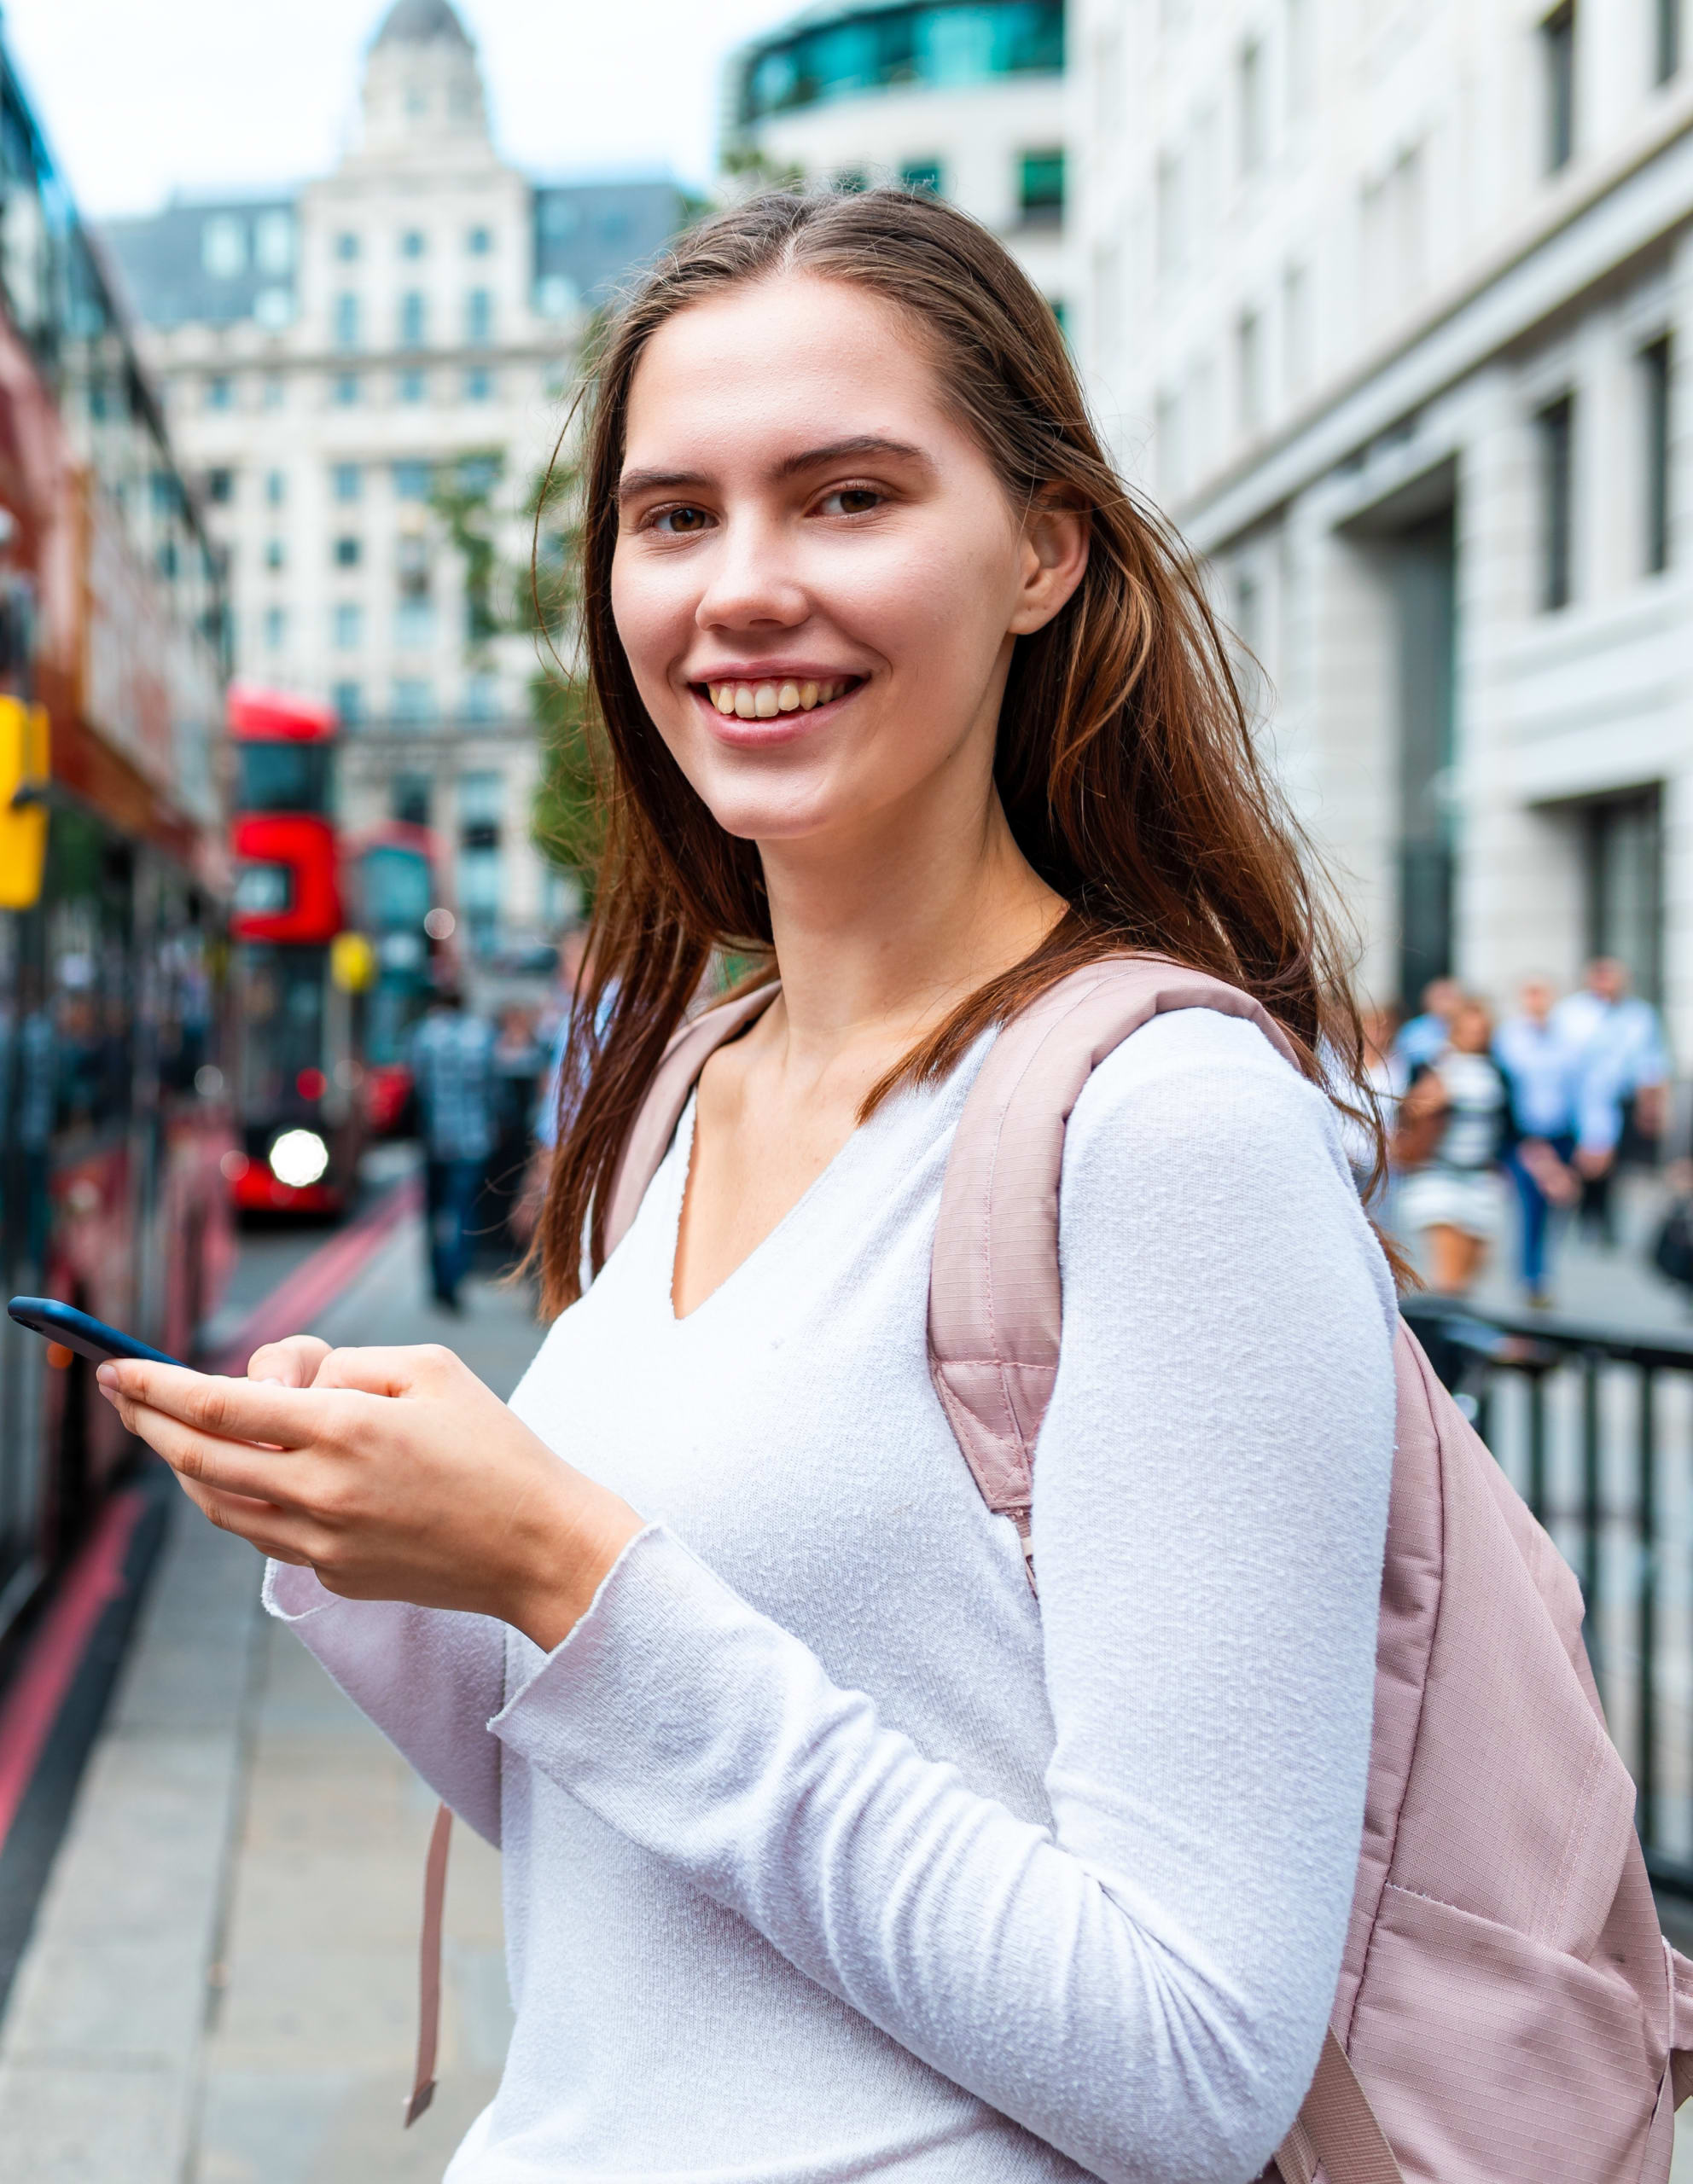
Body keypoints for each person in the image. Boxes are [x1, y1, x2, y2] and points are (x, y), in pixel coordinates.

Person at [94, 189, 1398, 2179]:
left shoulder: (1166, 1125)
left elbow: (1191, 2060)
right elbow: (627, 1831)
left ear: (1042, 548)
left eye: (846, 496)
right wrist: (383, 1546)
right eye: (672, 514)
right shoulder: (687, 1078)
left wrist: (555, 1560)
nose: (740, 588)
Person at [1394, 993, 1512, 1298]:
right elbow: (1408, 1113)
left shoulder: (1497, 1071)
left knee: (1472, 1274)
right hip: (1439, 1175)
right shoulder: (1434, 1066)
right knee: (1450, 1277)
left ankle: (1453, 1335)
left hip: (1481, 1176)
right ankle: (1442, 1340)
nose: (1476, 1037)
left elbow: (1510, 1125)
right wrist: (1430, 1101)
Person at [1554, 956, 1670, 1241]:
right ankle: (1580, 1214)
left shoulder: (1639, 1015)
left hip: (1620, 1098)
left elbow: (1651, 1061)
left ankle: (1603, 1218)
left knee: (1613, 1164)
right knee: (1580, 1160)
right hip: (1577, 1099)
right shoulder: (1571, 1012)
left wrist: (1652, 1104)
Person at [1491, 974, 1585, 1310]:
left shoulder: (1567, 1040)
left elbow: (1582, 1091)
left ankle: (1542, 1271)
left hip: (1561, 1134)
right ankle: (1532, 1277)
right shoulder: (1509, 1038)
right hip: (1524, 1137)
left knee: (1556, 1206)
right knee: (1530, 1205)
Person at [405, 975, 497, 1313]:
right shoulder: (481, 1036)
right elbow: (493, 1090)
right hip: (473, 1140)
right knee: (464, 1213)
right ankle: (456, 1278)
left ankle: (437, 1282)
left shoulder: (423, 1035)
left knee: (433, 1214)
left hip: (435, 1140)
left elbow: (416, 1086)